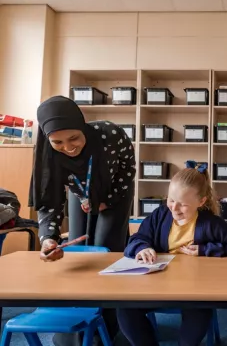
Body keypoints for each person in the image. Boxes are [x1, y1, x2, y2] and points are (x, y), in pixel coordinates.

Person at [28, 95, 136, 346]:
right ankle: (77, 323)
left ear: (83, 125)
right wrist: (48, 239)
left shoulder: (111, 134)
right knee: (78, 255)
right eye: (58, 142)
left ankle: (108, 325)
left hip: (114, 191)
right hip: (79, 192)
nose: (68, 147)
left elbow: (128, 168)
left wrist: (108, 199)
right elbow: (49, 201)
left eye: (74, 138)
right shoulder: (47, 153)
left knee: (107, 249)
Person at [117, 162, 227, 346]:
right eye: (171, 200)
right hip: (158, 288)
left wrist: (205, 250)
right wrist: (142, 247)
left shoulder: (210, 223)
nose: (174, 208)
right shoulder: (160, 215)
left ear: (201, 202)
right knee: (125, 308)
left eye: (182, 205)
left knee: (199, 311)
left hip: (194, 291)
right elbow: (136, 239)